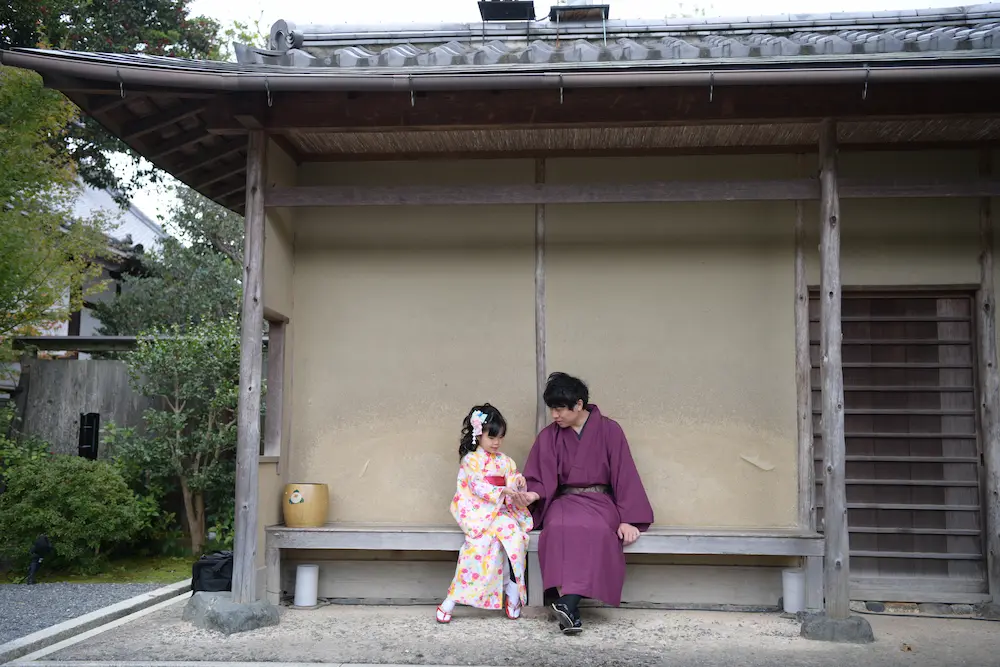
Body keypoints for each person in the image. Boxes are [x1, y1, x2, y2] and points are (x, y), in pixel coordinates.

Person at [515, 372, 654, 634]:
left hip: (600, 501)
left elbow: (624, 473)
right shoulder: (549, 436)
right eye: (552, 409)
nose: (554, 415)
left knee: (598, 531)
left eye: (559, 409)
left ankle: (567, 602)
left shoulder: (610, 430)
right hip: (563, 500)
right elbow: (539, 476)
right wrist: (532, 495)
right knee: (556, 529)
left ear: (578, 404)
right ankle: (569, 606)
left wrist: (627, 518)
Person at [436, 404, 533, 624]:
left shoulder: (504, 460)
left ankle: (513, 590)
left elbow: (512, 477)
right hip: (478, 513)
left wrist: (517, 481)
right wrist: (501, 490)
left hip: (499, 512)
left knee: (516, 539)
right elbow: (477, 486)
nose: (496, 442)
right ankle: (452, 598)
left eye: (500, 438)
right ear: (478, 435)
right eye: (491, 437)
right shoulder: (471, 460)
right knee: (479, 549)